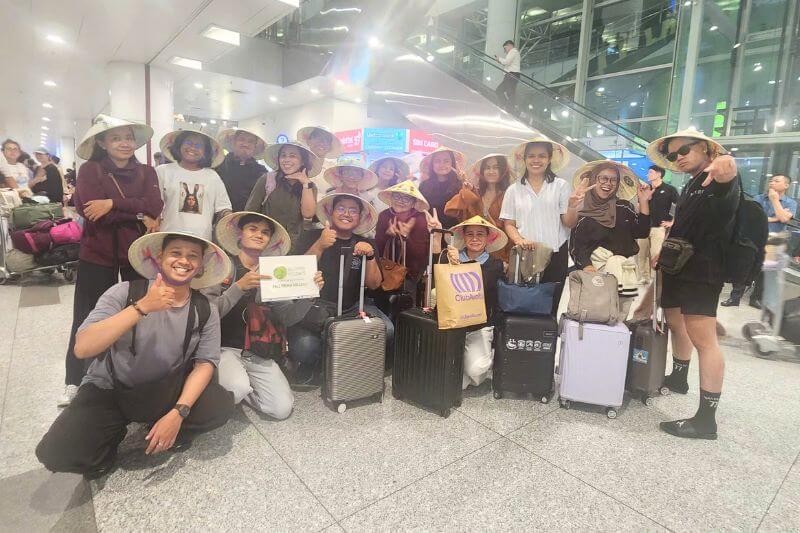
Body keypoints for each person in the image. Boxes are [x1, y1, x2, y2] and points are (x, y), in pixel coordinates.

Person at [35, 232, 234, 477]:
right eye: (176, 253)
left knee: (220, 405)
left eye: (193, 256)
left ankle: (165, 426)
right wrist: (142, 308)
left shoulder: (205, 309)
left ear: (200, 266)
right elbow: (83, 347)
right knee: (57, 453)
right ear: (160, 258)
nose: (184, 260)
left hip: (166, 388)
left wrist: (178, 413)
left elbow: (205, 363)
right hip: (112, 389)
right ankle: (111, 437)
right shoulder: (124, 292)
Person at [643, 128, 741, 440]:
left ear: (705, 148)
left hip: (703, 268)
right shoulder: (692, 183)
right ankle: (679, 377)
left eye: (683, 150)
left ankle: (706, 421)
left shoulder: (716, 178)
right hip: (677, 264)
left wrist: (725, 164)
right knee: (675, 320)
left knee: (704, 337)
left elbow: (727, 173)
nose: (678, 158)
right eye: (672, 155)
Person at [60, 115, 164, 407]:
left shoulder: (147, 172)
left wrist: (113, 204)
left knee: (141, 312)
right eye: (116, 138)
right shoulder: (90, 170)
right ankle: (75, 378)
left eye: (129, 137)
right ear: (102, 142)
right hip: (98, 252)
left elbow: (155, 205)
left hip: (137, 253)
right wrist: (139, 214)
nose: (124, 143)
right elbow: (88, 209)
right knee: (87, 314)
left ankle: (136, 371)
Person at [208, 212, 324, 418]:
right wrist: (239, 287)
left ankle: (243, 388)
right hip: (224, 348)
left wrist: (309, 296)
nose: (259, 235)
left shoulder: (274, 272)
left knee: (281, 409)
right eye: (252, 229)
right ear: (240, 234)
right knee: (236, 388)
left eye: (265, 232)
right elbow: (208, 315)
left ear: (270, 239)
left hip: (259, 351)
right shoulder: (223, 268)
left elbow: (287, 317)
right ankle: (230, 384)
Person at [290, 193, 392, 383]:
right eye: (341, 209)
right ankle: (320, 361)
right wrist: (320, 245)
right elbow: (296, 275)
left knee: (387, 329)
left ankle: (348, 360)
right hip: (316, 308)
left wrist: (369, 257)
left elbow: (375, 284)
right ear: (331, 212)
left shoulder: (367, 243)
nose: (347, 214)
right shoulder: (312, 236)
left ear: (360, 217)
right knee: (304, 348)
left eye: (353, 210)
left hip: (353, 306)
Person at [500, 138, 587, 313]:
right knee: (523, 304)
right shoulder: (514, 189)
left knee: (550, 307)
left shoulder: (561, 186)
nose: (536, 160)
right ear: (524, 159)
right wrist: (518, 240)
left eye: (542, 156)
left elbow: (569, 223)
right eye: (531, 156)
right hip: (525, 255)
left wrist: (572, 206)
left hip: (555, 255)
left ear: (549, 159)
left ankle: (546, 339)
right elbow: (509, 223)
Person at [569, 161, 651, 316]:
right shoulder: (583, 211)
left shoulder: (624, 207)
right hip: (596, 274)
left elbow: (641, 232)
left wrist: (644, 202)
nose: (608, 183)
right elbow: (576, 247)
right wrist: (586, 267)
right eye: (603, 178)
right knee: (596, 317)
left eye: (613, 180)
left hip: (625, 272)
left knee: (620, 318)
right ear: (594, 180)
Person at [438, 216, 507, 389]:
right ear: (464, 237)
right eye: (470, 234)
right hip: (453, 324)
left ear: (488, 238)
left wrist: (459, 264)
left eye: (480, 234)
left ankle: (480, 357)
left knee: (476, 373)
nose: (475, 238)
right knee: (451, 378)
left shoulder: (495, 264)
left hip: (480, 325)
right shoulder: (450, 257)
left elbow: (477, 285)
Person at [722, 173, 796, 308]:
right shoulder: (758, 198)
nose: (772, 183)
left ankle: (755, 298)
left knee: (766, 271)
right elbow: (753, 216)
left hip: (774, 239)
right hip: (754, 237)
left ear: (786, 185)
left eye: (776, 181)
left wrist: (775, 200)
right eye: (771, 180)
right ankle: (735, 298)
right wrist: (776, 217)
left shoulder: (791, 203)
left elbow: (785, 219)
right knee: (744, 266)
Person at [156, 129, 231, 241]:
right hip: (168, 236)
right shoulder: (163, 171)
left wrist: (229, 217)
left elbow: (223, 206)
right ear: (179, 144)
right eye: (188, 143)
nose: (192, 148)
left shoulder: (212, 176)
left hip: (201, 239)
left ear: (205, 151)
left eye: (199, 145)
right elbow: (154, 205)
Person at [245, 141, 322, 245]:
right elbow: (250, 212)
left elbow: (308, 214)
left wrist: (305, 183)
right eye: (283, 155)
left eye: (292, 156)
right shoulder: (268, 179)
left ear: (303, 161)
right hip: (267, 243)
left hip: (295, 246)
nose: (287, 160)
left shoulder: (309, 186)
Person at [444, 153, 514, 261]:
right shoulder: (475, 193)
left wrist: (508, 259)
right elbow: (453, 211)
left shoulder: (509, 195)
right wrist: (466, 189)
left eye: (495, 167)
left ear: (503, 170)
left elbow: (511, 228)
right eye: (487, 168)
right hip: (472, 253)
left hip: (499, 255)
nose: (491, 171)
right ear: (482, 172)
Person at [375, 180, 432, 280]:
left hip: (411, 273)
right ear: (391, 198)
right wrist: (387, 235)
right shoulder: (384, 215)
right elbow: (377, 248)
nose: (400, 201)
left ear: (414, 202)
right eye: (397, 196)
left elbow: (421, 254)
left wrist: (406, 238)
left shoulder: (421, 219)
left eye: (406, 198)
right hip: (385, 270)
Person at [636, 165, 678, 285]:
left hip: (659, 228)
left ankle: (656, 279)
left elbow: (680, 206)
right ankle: (644, 277)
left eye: (650, 172)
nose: (648, 175)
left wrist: (672, 222)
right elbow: (639, 208)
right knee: (641, 254)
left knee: (656, 254)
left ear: (659, 174)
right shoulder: (646, 189)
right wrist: (643, 197)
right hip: (644, 227)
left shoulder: (669, 189)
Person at [215, 128, 270, 212]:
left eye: (250, 141)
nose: (245, 144)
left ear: (255, 147)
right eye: (241, 139)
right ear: (234, 143)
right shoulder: (219, 166)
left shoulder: (261, 172)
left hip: (248, 220)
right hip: (219, 217)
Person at [419, 146, 467, 229]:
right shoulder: (424, 186)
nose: (442, 165)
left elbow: (467, 208)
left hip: (453, 233)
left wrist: (464, 182)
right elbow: (420, 210)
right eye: (437, 161)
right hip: (429, 231)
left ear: (452, 164)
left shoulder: (460, 185)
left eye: (446, 161)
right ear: (432, 164)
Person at [494, 40, 521, 112]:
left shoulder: (513, 51)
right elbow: (507, 63)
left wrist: (499, 59)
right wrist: (500, 60)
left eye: (505, 48)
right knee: (500, 91)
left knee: (509, 92)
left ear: (509, 45)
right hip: (511, 75)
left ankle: (510, 109)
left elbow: (506, 62)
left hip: (511, 74)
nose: (505, 51)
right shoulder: (514, 52)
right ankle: (508, 106)